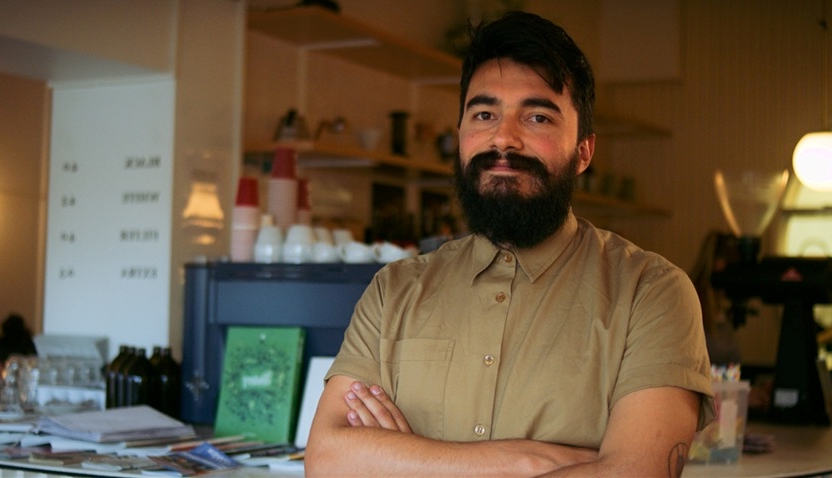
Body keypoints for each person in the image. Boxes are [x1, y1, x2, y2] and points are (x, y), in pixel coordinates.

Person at [306, 11, 714, 477]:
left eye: (537, 116)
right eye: (484, 114)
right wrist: (523, 461)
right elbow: (328, 461)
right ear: (460, 135)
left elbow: (636, 474)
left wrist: (406, 461)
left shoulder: (652, 292)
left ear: (584, 150)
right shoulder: (393, 290)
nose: (504, 138)